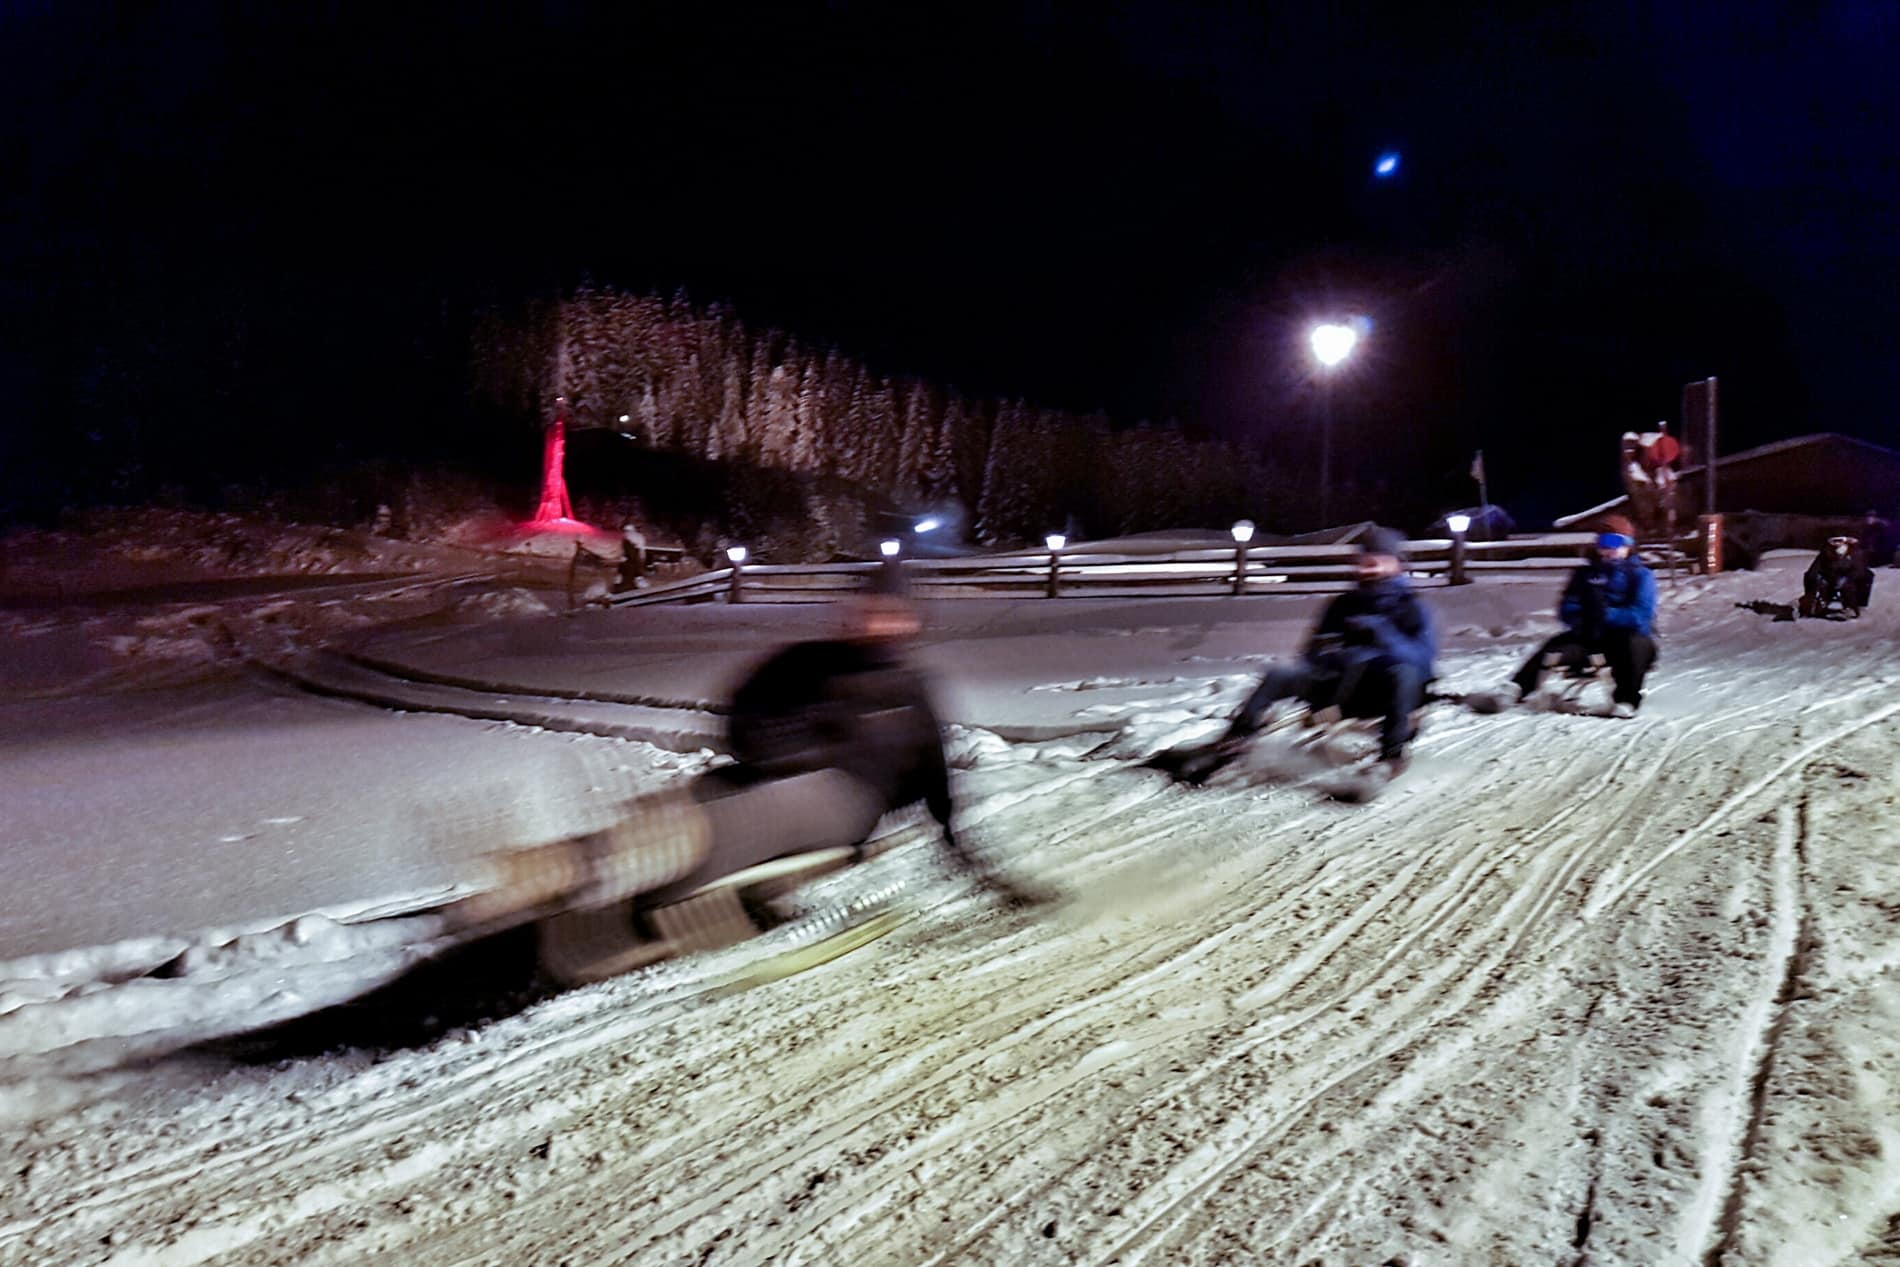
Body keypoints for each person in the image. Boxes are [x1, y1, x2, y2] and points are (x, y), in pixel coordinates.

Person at [1175, 526, 1435, 788]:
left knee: (1404, 673)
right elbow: (1312, 651)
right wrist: (1327, 654)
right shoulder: (1343, 604)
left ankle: (1391, 756)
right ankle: (1235, 740)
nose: (1369, 567)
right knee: (1280, 673)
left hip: (1380, 692)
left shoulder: (1411, 608)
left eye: (1378, 561)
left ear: (1395, 564)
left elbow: (1422, 660)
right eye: (1365, 561)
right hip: (1338, 686)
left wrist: (1382, 635)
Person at [1475, 514, 1656, 718]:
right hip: (1589, 636)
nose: (1609, 549)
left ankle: (1627, 700)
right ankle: (1514, 689)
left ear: (1628, 545)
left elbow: (1640, 615)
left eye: (1616, 542)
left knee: (1634, 647)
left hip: (1627, 637)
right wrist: (1584, 620)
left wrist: (1605, 614)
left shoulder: (1641, 576)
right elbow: (1567, 607)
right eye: (1604, 542)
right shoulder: (1585, 575)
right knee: (1553, 648)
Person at [1800, 535, 1873, 616]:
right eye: (1834, 541)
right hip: (1829, 579)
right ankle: (1814, 604)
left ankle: (1851, 606)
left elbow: (1859, 570)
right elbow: (1815, 568)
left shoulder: (1854, 553)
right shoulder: (1825, 553)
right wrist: (1815, 578)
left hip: (1849, 579)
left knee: (1850, 586)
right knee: (1812, 579)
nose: (1837, 543)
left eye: (1839, 541)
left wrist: (1847, 579)